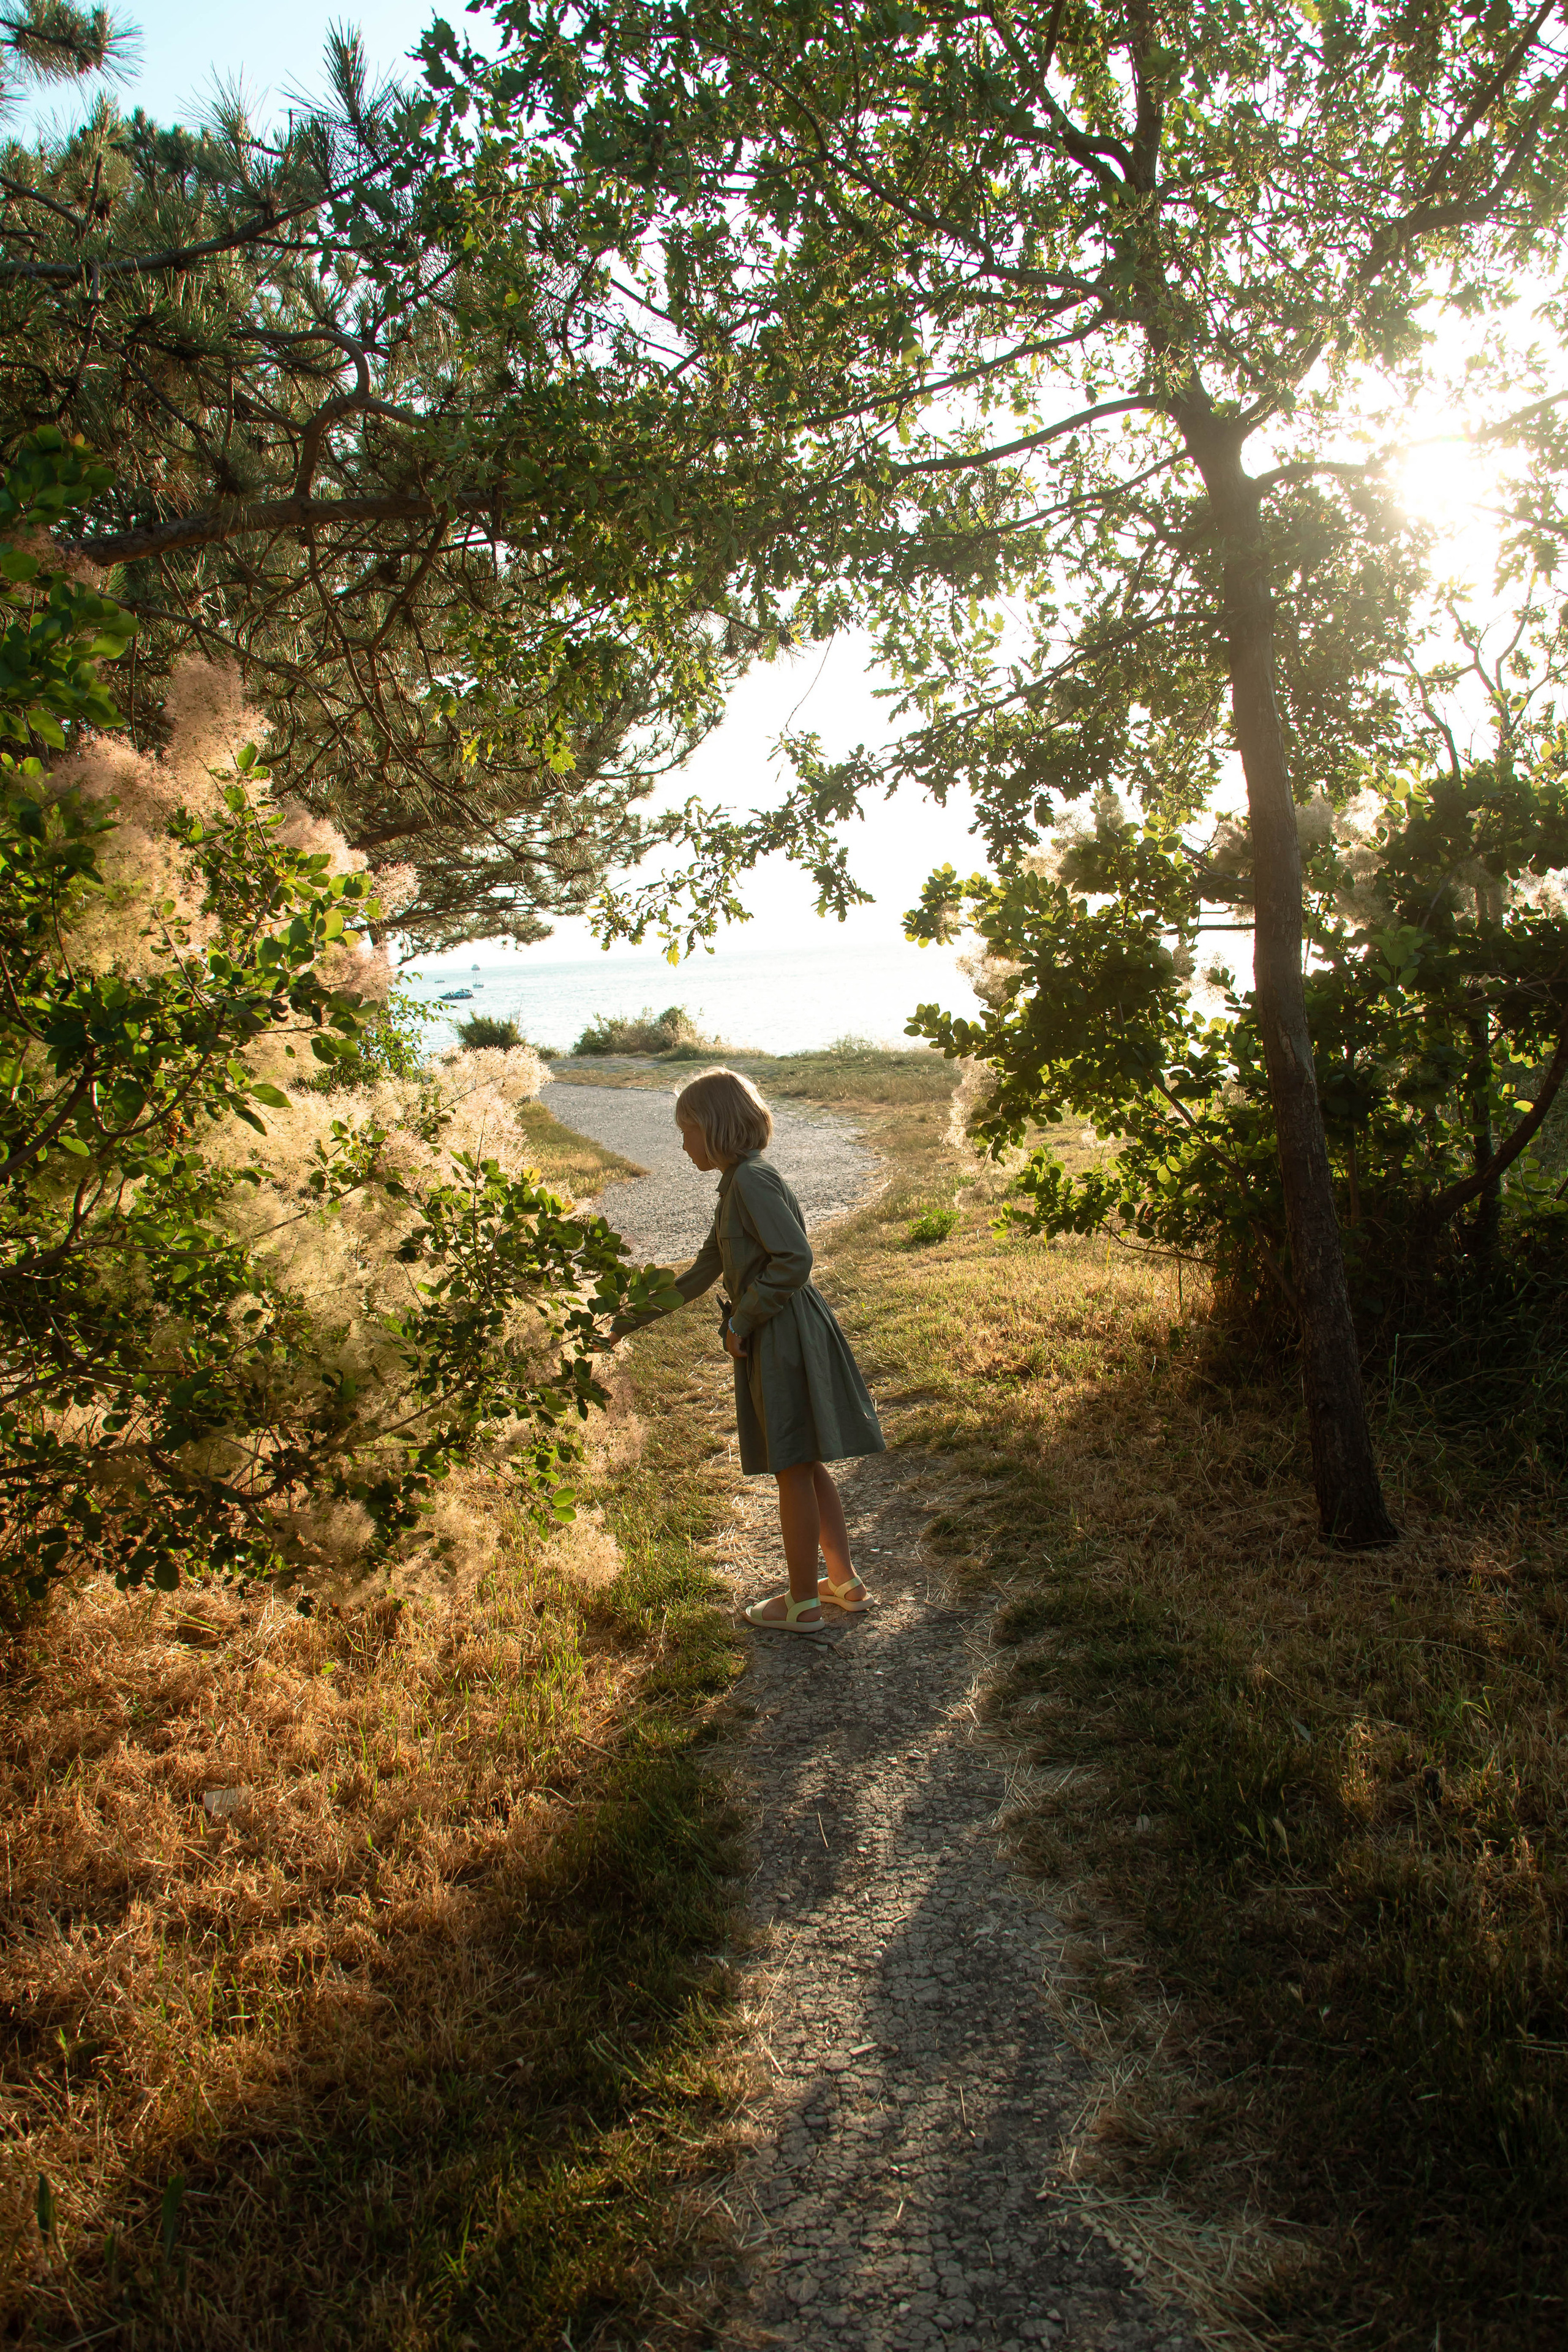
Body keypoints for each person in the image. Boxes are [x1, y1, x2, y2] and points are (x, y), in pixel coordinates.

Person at [618, 1066, 885, 1633]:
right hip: (782, 1330)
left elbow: (795, 1260)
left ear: (712, 1128)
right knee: (806, 1460)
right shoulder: (735, 1185)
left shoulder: (751, 1182)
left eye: (685, 1129)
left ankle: (800, 1603)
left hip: (784, 1333)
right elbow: (701, 1272)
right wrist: (625, 1322)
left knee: (791, 1462)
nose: (682, 1142)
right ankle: (843, 1582)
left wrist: (741, 1316)